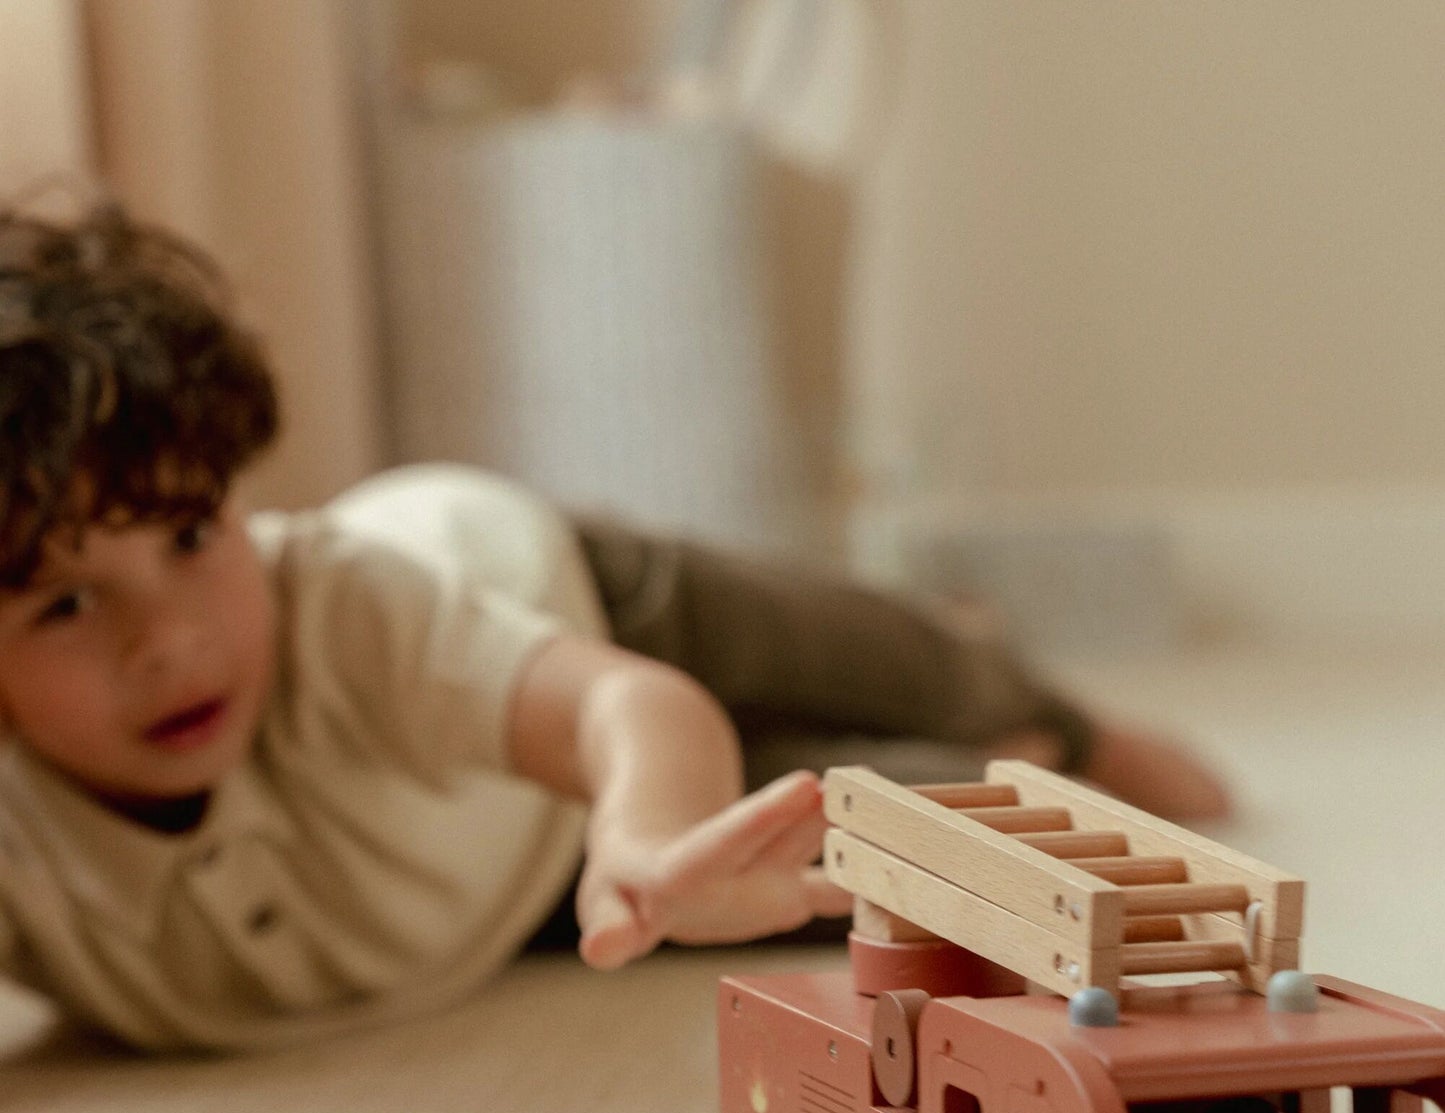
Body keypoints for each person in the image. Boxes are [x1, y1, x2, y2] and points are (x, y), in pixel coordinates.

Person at [0, 201, 1229, 1052]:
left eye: (188, 537)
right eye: (64, 602)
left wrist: (640, 827)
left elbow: (630, 707)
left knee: (890, 653)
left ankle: (1068, 716)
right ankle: (1033, 759)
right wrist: (642, 867)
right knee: (889, 832)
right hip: (529, 878)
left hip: (570, 601)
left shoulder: (343, 615)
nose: (164, 640)